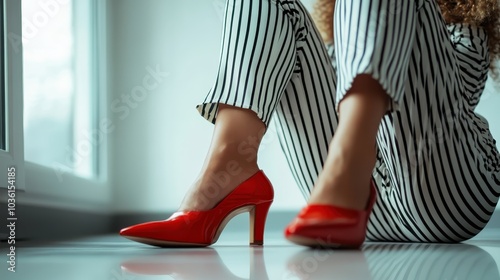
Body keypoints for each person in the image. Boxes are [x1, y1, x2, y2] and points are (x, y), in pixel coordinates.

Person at [120, 0, 500, 248]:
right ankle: (226, 173)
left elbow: (449, 107)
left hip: (445, 193)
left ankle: (351, 162)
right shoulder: (343, 30)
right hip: (356, 212)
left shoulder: (461, 28)